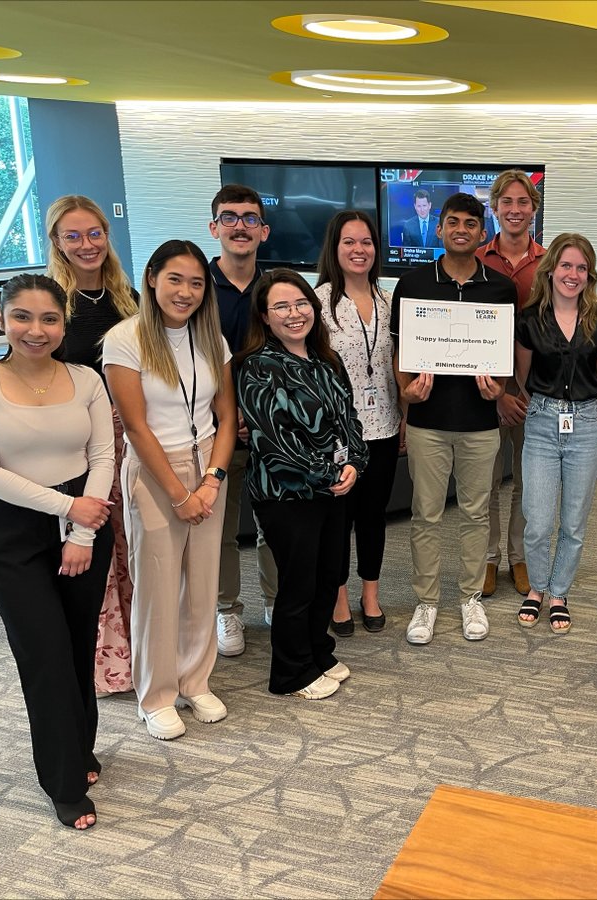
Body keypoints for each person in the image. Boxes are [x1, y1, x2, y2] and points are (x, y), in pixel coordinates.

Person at [0, 274, 114, 829]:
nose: (35, 330)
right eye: (22, 316)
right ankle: (63, 782)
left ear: (63, 324)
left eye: (49, 319)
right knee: (43, 654)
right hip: (12, 533)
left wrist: (83, 531)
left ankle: (81, 750)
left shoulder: (85, 378)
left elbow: (103, 456)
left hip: (86, 521)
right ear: (1, 320)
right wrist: (66, 512)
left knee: (77, 646)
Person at [103, 239, 237, 740]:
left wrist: (211, 481)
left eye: (197, 283)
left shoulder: (212, 339)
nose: (185, 292)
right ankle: (155, 695)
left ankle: (193, 680)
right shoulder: (126, 339)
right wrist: (180, 495)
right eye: (175, 279)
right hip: (156, 472)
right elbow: (136, 427)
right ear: (152, 277)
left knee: (202, 584)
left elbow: (226, 417)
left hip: (208, 468)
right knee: (157, 589)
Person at [237, 270, 368, 700]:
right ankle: (290, 673)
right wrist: (329, 474)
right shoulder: (258, 366)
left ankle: (317, 651)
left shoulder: (325, 359)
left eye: (300, 304)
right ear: (265, 316)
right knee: (299, 582)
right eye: (281, 306)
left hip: (333, 490)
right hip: (287, 495)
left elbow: (349, 420)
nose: (294, 314)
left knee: (329, 575)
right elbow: (272, 442)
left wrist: (354, 465)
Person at [390, 192, 515, 645]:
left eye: (470, 223)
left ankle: (469, 598)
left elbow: (501, 354)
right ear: (440, 229)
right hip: (428, 422)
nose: (461, 229)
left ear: (483, 233)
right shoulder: (413, 284)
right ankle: (426, 602)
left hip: (480, 424)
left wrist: (499, 389)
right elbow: (400, 350)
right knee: (425, 515)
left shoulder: (500, 288)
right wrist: (406, 394)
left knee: (476, 514)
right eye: (453, 222)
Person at [45, 195, 139, 699]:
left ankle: (141, 649)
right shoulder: (51, 304)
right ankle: (106, 663)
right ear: (57, 242)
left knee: (133, 547)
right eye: (73, 236)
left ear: (107, 235)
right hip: (81, 442)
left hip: (133, 438)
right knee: (92, 544)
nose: (87, 245)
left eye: (94, 233)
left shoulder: (128, 298)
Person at [514, 233, 597, 634]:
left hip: (587, 423)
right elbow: (522, 377)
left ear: (589, 275)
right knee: (537, 520)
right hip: (541, 421)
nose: (573, 274)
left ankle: (559, 592)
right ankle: (537, 587)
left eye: (581, 268)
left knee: (574, 522)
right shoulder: (529, 319)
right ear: (551, 269)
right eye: (566, 266)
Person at [315, 211, 400, 636]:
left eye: (365, 242)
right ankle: (339, 597)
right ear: (335, 248)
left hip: (384, 426)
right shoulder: (318, 301)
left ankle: (371, 593)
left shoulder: (389, 301)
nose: (358, 250)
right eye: (349, 242)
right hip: (337, 434)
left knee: (372, 516)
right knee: (338, 518)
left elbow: (395, 365)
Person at [210, 183, 278, 658]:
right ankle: (227, 608)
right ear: (213, 227)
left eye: (250, 218)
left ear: (264, 231)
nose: (240, 226)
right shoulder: (195, 288)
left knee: (274, 524)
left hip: (270, 434)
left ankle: (276, 601)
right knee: (221, 530)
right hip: (214, 435)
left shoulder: (276, 290)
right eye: (230, 217)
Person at [476, 169, 545, 599]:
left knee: (528, 480)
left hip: (537, 392)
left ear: (533, 209)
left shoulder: (551, 262)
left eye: (523, 203)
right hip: (485, 391)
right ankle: (487, 559)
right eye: (507, 202)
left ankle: (519, 558)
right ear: (495, 207)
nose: (515, 210)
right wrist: (500, 393)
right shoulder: (477, 259)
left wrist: (527, 390)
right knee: (485, 479)